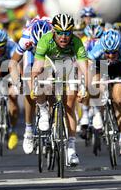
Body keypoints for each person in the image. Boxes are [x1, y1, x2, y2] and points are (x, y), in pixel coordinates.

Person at [31, 14, 88, 166]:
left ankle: (71, 148)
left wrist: (85, 87)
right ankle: (43, 109)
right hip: (49, 64)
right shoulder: (45, 40)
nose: (64, 37)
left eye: (67, 33)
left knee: (69, 104)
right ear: (53, 32)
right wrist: (34, 87)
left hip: (67, 67)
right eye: (60, 33)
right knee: (43, 79)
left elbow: (84, 68)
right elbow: (37, 68)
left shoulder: (77, 42)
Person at [9, 18, 52, 154]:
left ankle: (52, 118)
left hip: (48, 56)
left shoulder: (53, 36)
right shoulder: (26, 39)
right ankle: (28, 131)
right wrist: (18, 83)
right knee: (29, 87)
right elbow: (13, 63)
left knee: (51, 83)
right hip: (31, 57)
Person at [87, 29, 121, 155]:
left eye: (114, 53)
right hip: (100, 66)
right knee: (95, 86)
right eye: (108, 53)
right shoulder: (98, 47)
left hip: (117, 70)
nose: (111, 56)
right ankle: (97, 113)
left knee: (118, 99)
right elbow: (88, 64)